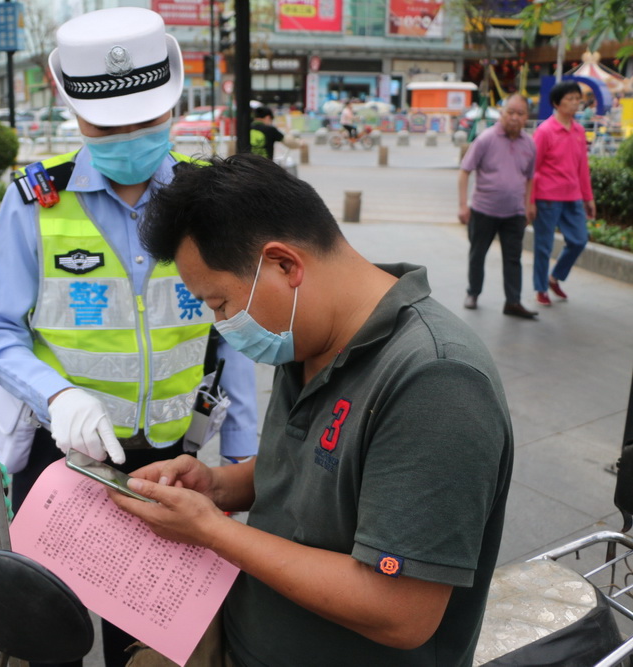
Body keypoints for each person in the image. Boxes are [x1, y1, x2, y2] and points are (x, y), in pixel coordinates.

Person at [111, 154, 513, 666]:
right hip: (243, 636)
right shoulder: (304, 337)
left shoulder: (436, 381)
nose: (221, 325)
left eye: (219, 304)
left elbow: (401, 611)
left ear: (284, 265)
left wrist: (212, 531)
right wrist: (215, 486)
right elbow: (305, 469)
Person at [0, 9, 258, 666]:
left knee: (156, 644)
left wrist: (242, 464)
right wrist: (58, 394)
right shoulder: (36, 202)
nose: (129, 136)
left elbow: (235, 331)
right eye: (108, 124)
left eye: (146, 120)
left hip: (171, 459)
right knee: (51, 637)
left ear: (173, 102)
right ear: (70, 106)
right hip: (63, 462)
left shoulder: (206, 199)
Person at [458, 94, 538, 319]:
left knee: (513, 258)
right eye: (510, 112)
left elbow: (530, 177)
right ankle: (473, 293)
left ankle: (513, 302)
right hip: (483, 210)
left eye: (520, 113)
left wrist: (528, 204)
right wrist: (464, 205)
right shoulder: (486, 139)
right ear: (501, 113)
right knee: (477, 254)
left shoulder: (529, 144)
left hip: (514, 212)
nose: (514, 117)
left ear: (526, 117)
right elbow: (465, 171)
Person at [529, 81, 596, 307]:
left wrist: (588, 198)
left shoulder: (578, 130)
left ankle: (554, 277)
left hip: (573, 196)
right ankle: (540, 289)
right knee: (543, 246)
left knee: (579, 240)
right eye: (570, 99)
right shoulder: (545, 131)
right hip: (547, 197)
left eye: (577, 98)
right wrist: (530, 201)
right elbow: (532, 169)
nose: (575, 103)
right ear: (557, 103)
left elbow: (582, 168)